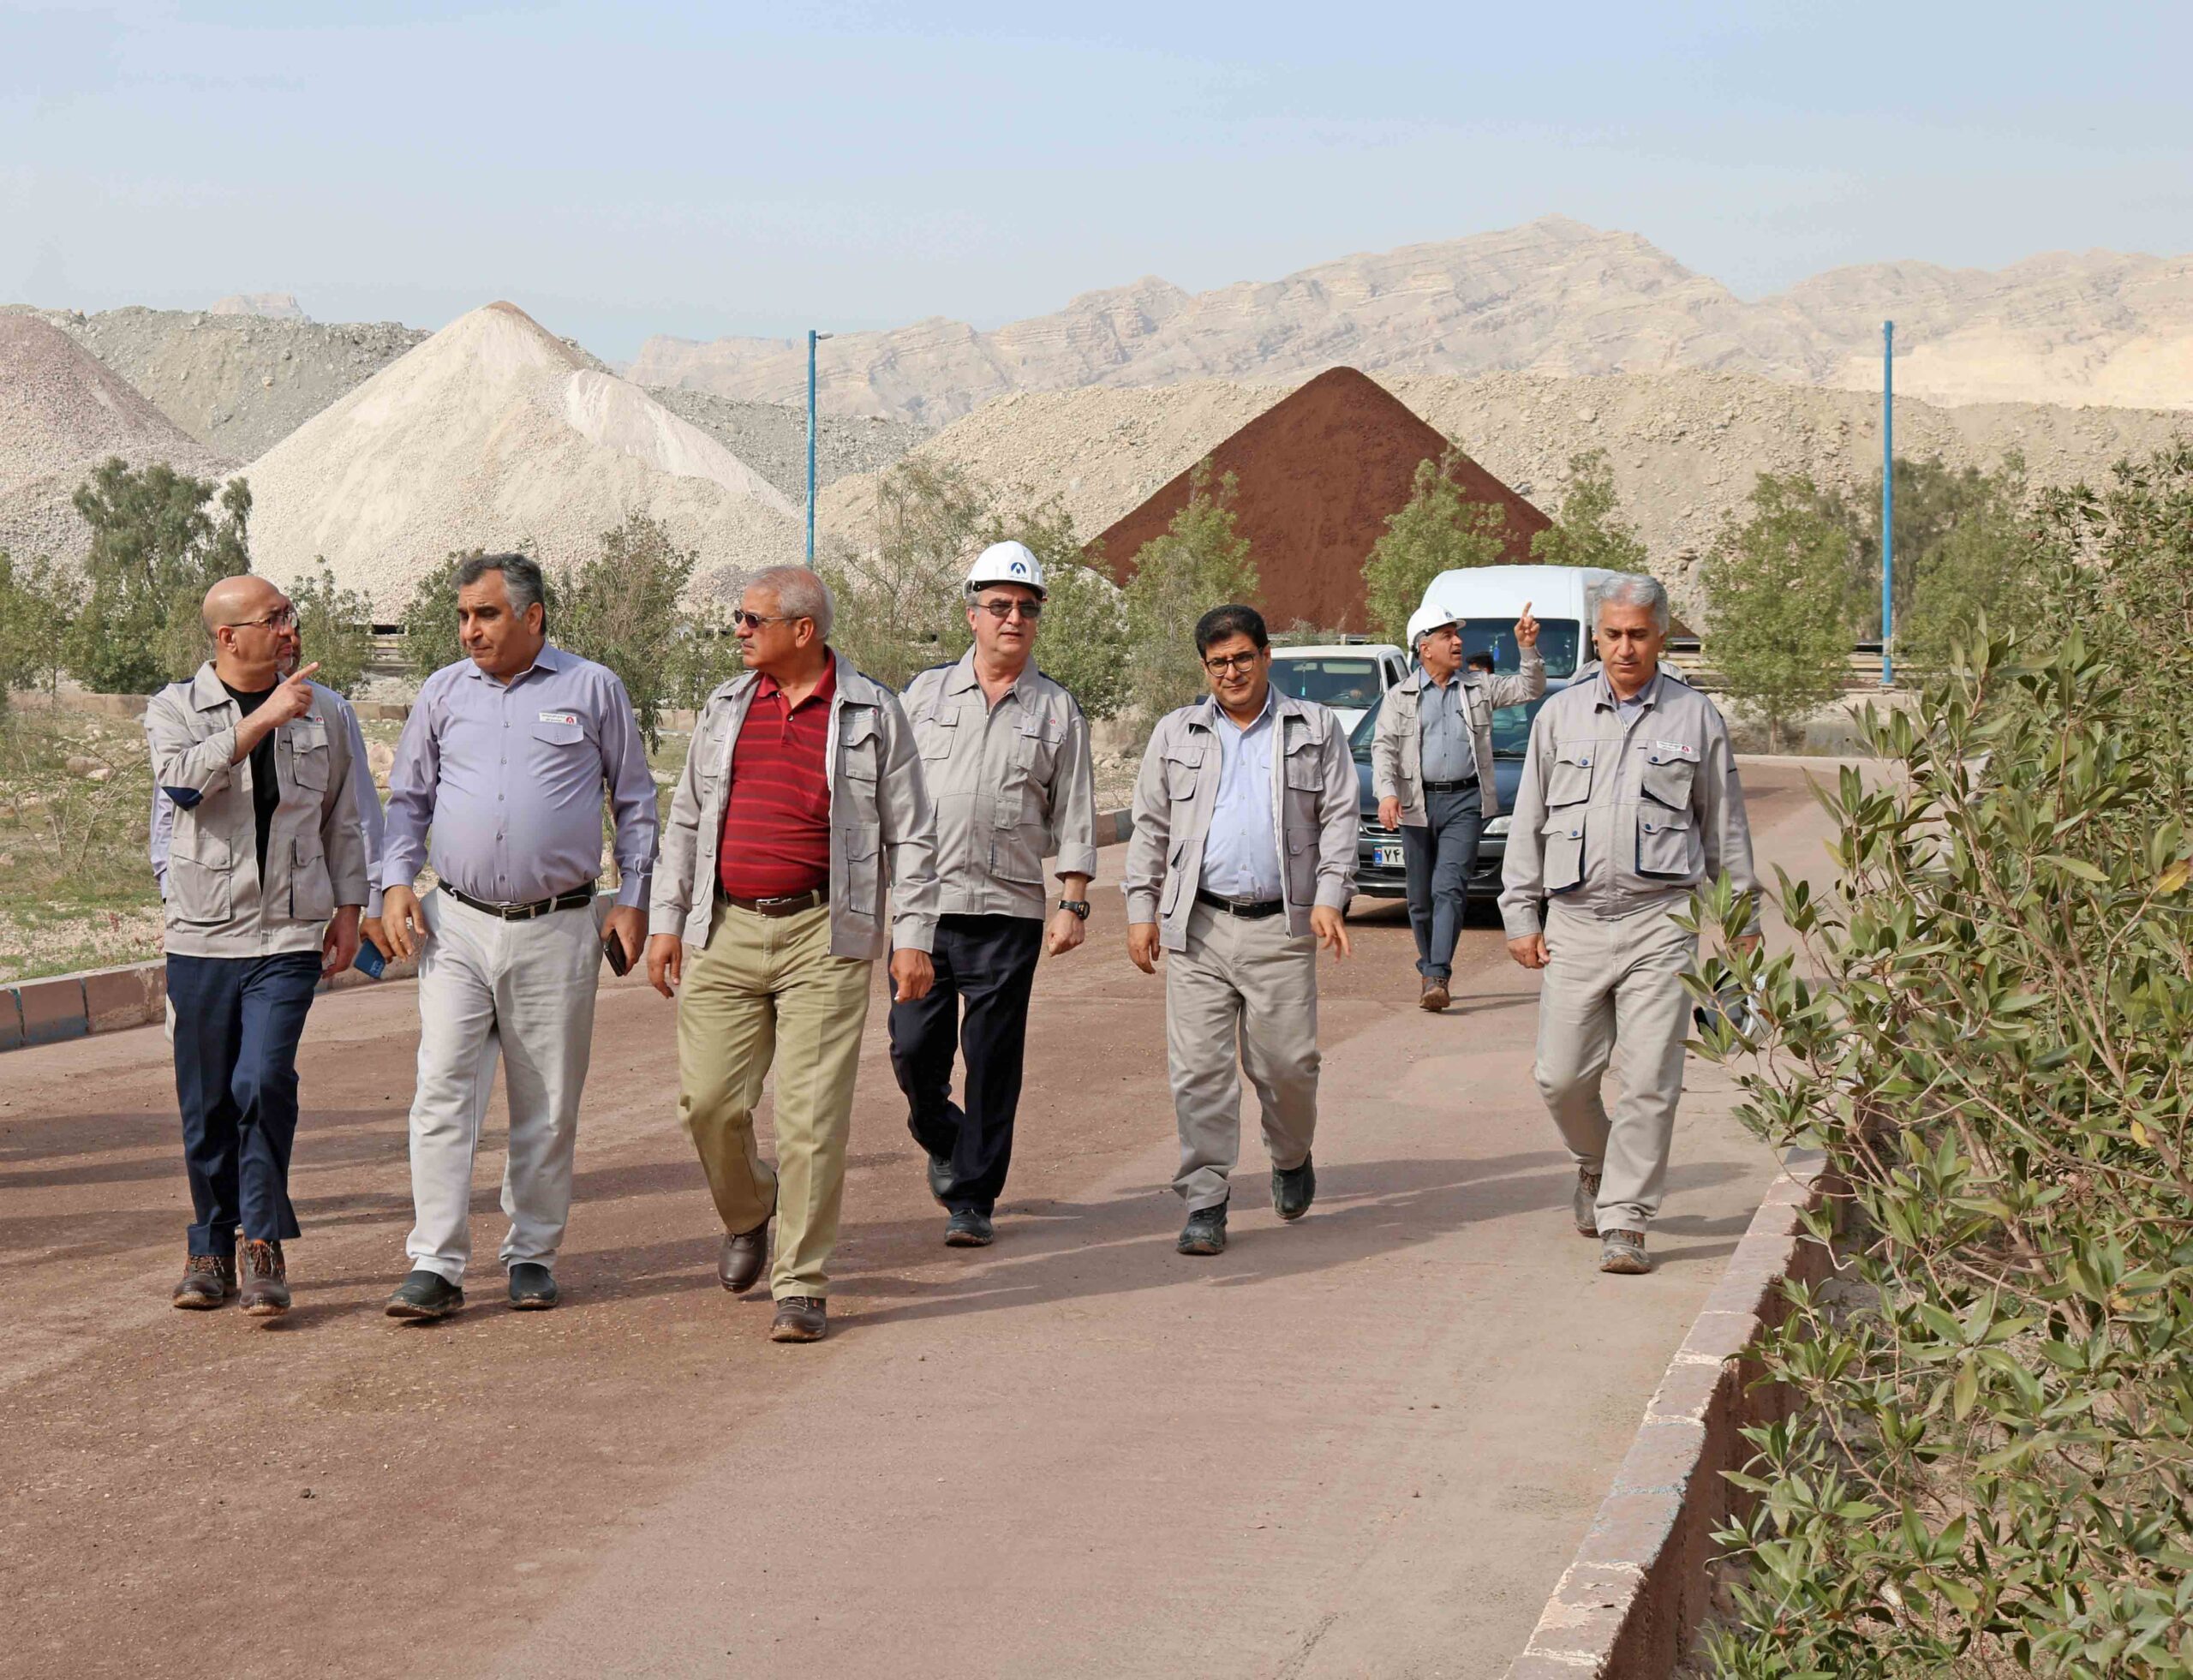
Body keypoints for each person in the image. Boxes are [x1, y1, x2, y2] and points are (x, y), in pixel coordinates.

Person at [647, 565, 941, 1344]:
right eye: (738, 618)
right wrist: (667, 920)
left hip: (824, 934)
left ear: (803, 630)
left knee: (811, 1118)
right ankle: (751, 1207)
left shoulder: (873, 711)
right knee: (708, 1104)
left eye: (753, 619)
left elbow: (912, 833)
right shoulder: (724, 707)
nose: (738, 630)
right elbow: (686, 819)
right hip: (725, 930)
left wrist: (912, 936)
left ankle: (802, 1281)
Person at [375, 553, 657, 1319]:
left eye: (487, 614)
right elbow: (408, 800)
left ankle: (532, 1252)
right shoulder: (442, 692)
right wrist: (396, 882)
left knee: (548, 1099)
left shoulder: (592, 688)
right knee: (442, 1089)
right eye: (463, 616)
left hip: (558, 926)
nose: (470, 630)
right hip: (457, 924)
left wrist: (634, 899)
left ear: (533, 616)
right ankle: (435, 1262)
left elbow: (635, 801)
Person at [1498, 574, 1759, 1275]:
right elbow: (1530, 818)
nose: (1624, 648)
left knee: (1649, 1079)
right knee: (1560, 1077)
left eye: (1638, 634)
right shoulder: (1560, 715)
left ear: (1661, 636)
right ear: (1595, 637)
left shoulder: (1695, 718)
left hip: (1661, 922)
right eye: (1612, 634)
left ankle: (1626, 1219)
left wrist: (1741, 920)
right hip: (1576, 921)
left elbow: (1724, 827)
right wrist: (1520, 910)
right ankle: (1595, 1161)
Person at [144, 575, 371, 1317]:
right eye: (273, 618)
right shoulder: (174, 708)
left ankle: (263, 1242)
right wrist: (264, 718)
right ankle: (210, 1246)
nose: (288, 628)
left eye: (289, 615)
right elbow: (182, 785)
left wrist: (350, 907)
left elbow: (343, 816)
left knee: (264, 1080)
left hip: (288, 932)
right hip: (204, 933)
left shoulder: (327, 710)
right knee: (207, 1099)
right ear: (228, 636)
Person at [1123, 603, 1358, 1257]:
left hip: (1281, 927)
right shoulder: (1176, 733)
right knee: (1198, 1070)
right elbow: (1150, 827)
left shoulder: (1314, 727)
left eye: (1242, 658)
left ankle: (1290, 1154)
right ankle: (1205, 1198)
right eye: (1218, 662)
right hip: (1199, 926)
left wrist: (1330, 897)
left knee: (1287, 1066)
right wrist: (1141, 910)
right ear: (1205, 667)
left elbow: (1341, 817)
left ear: (1266, 656)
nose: (1232, 671)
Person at [893, 541, 1099, 1247]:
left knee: (992, 1060)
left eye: (1027, 608)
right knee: (912, 1049)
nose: (1014, 618)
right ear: (972, 613)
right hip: (924, 910)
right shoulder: (921, 696)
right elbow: (888, 794)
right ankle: (942, 1135)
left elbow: (1075, 811)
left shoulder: (1058, 710)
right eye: (1001, 605)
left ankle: (973, 1197)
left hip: (1008, 913)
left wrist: (1073, 902)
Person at [1371, 603, 1545, 1011]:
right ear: (1424, 647)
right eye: (1447, 636)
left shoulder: (1478, 687)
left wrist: (1527, 648)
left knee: (1448, 888)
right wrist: (1387, 793)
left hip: (1465, 802)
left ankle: (1437, 975)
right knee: (1419, 899)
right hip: (1417, 805)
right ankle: (1430, 967)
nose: (1458, 642)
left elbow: (1529, 688)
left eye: (1456, 634)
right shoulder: (1399, 697)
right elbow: (1384, 749)